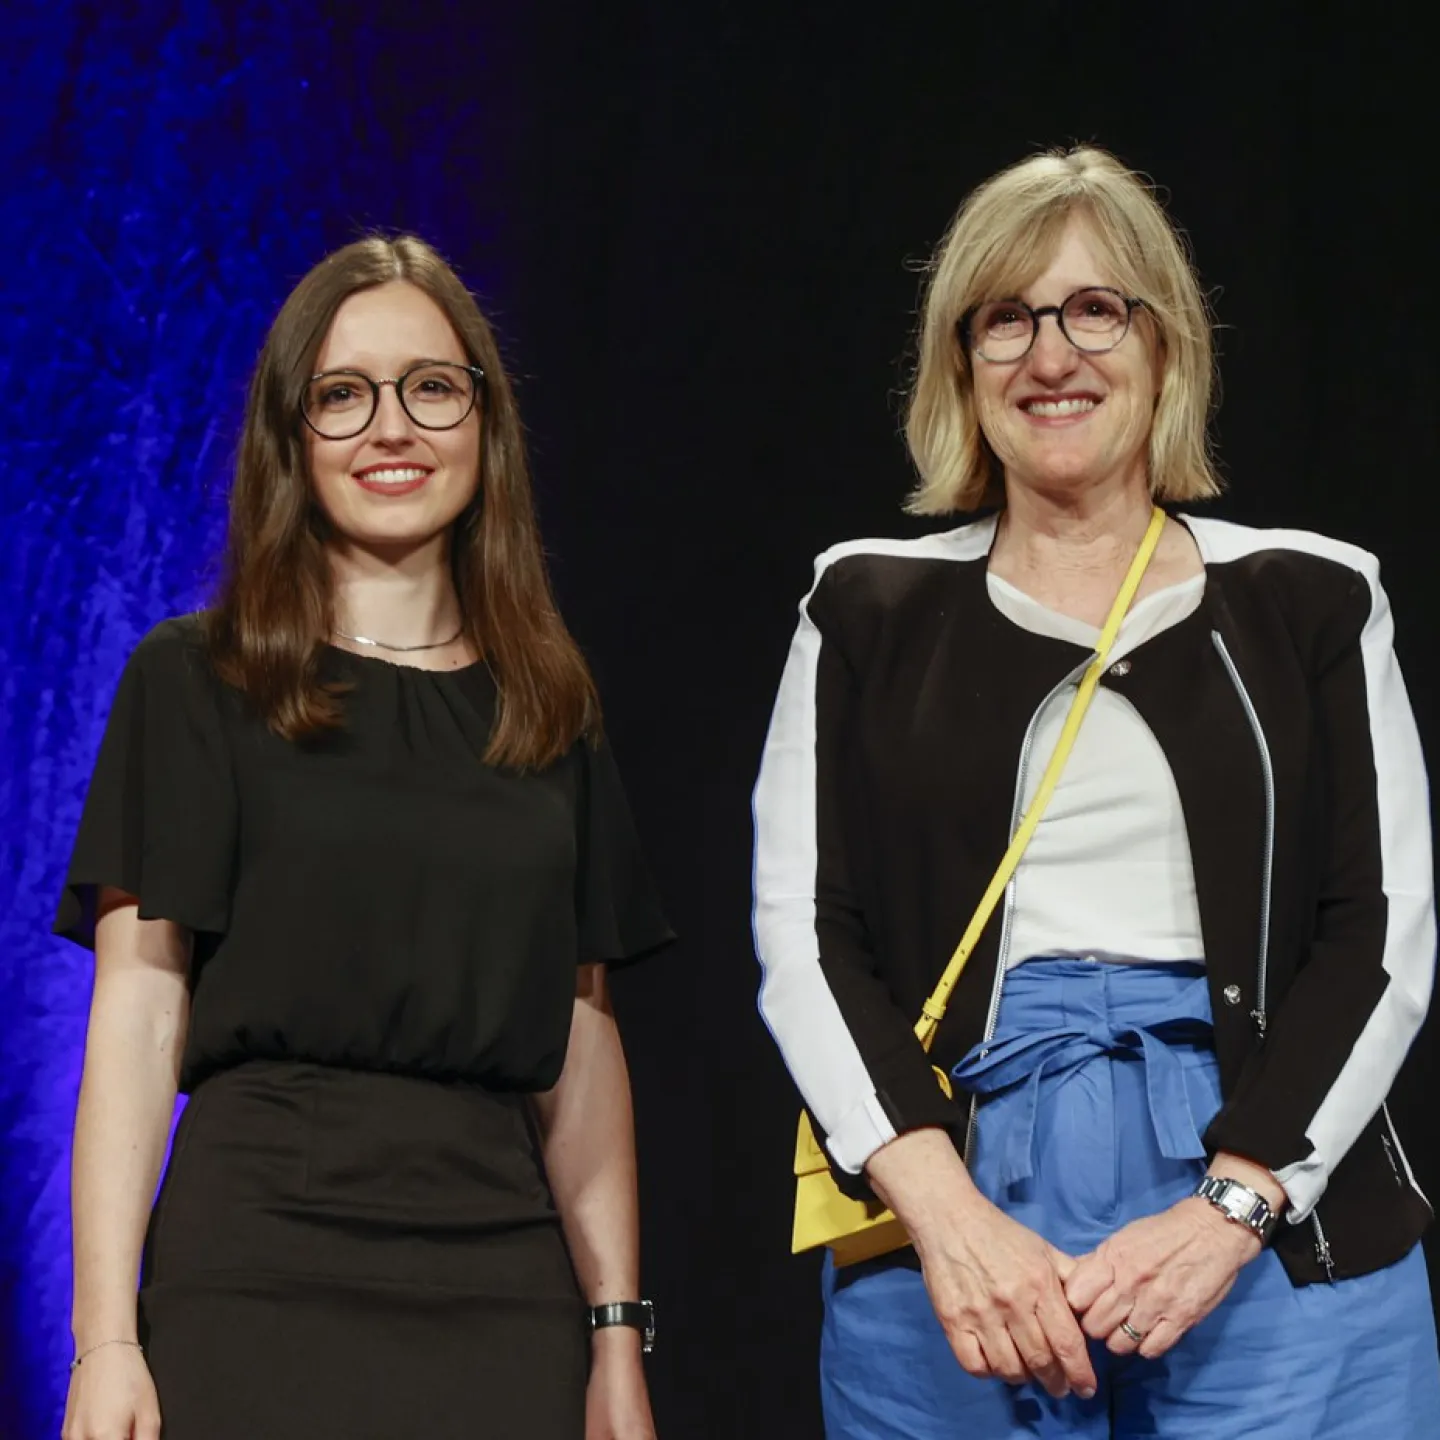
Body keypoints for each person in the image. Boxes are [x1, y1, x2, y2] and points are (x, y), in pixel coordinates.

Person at [752, 146, 1440, 1437]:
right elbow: (804, 933)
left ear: (1166, 346)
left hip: (1274, 1192)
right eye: (1005, 317)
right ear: (961, 364)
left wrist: (1233, 1209)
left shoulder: (1314, 597)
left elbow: (1381, 934)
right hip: (953, 1191)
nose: (1049, 355)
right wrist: (945, 1217)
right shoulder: (863, 605)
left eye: (1093, 309)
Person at [55, 235, 672, 1440]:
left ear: (485, 423)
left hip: (501, 1285)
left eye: (432, 388)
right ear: (291, 438)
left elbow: (583, 1038)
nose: (393, 427)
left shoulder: (549, 705)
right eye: (343, 396)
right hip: (255, 1272)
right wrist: (105, 1342)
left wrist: (615, 1340)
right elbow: (137, 1015)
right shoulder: (195, 681)